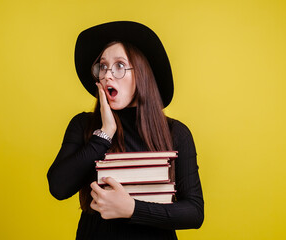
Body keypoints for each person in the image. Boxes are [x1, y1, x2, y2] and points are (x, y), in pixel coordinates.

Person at [47, 21, 204, 240]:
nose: (107, 75)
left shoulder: (175, 133)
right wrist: (104, 133)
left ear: (141, 75)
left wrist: (132, 208)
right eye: (103, 66)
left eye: (119, 66)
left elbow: (194, 213)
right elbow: (58, 187)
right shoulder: (84, 125)